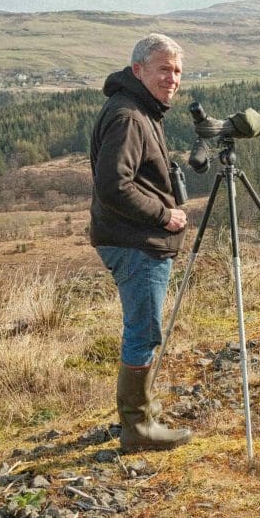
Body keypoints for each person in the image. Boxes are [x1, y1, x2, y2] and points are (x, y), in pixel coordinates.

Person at [89, 34, 192, 452]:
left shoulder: (139, 109)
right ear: (138, 71)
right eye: (164, 68)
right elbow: (114, 186)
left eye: (177, 71)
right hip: (135, 242)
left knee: (143, 329)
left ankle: (142, 411)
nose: (172, 78)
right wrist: (164, 215)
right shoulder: (130, 116)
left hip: (133, 238)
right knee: (143, 331)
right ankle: (137, 428)